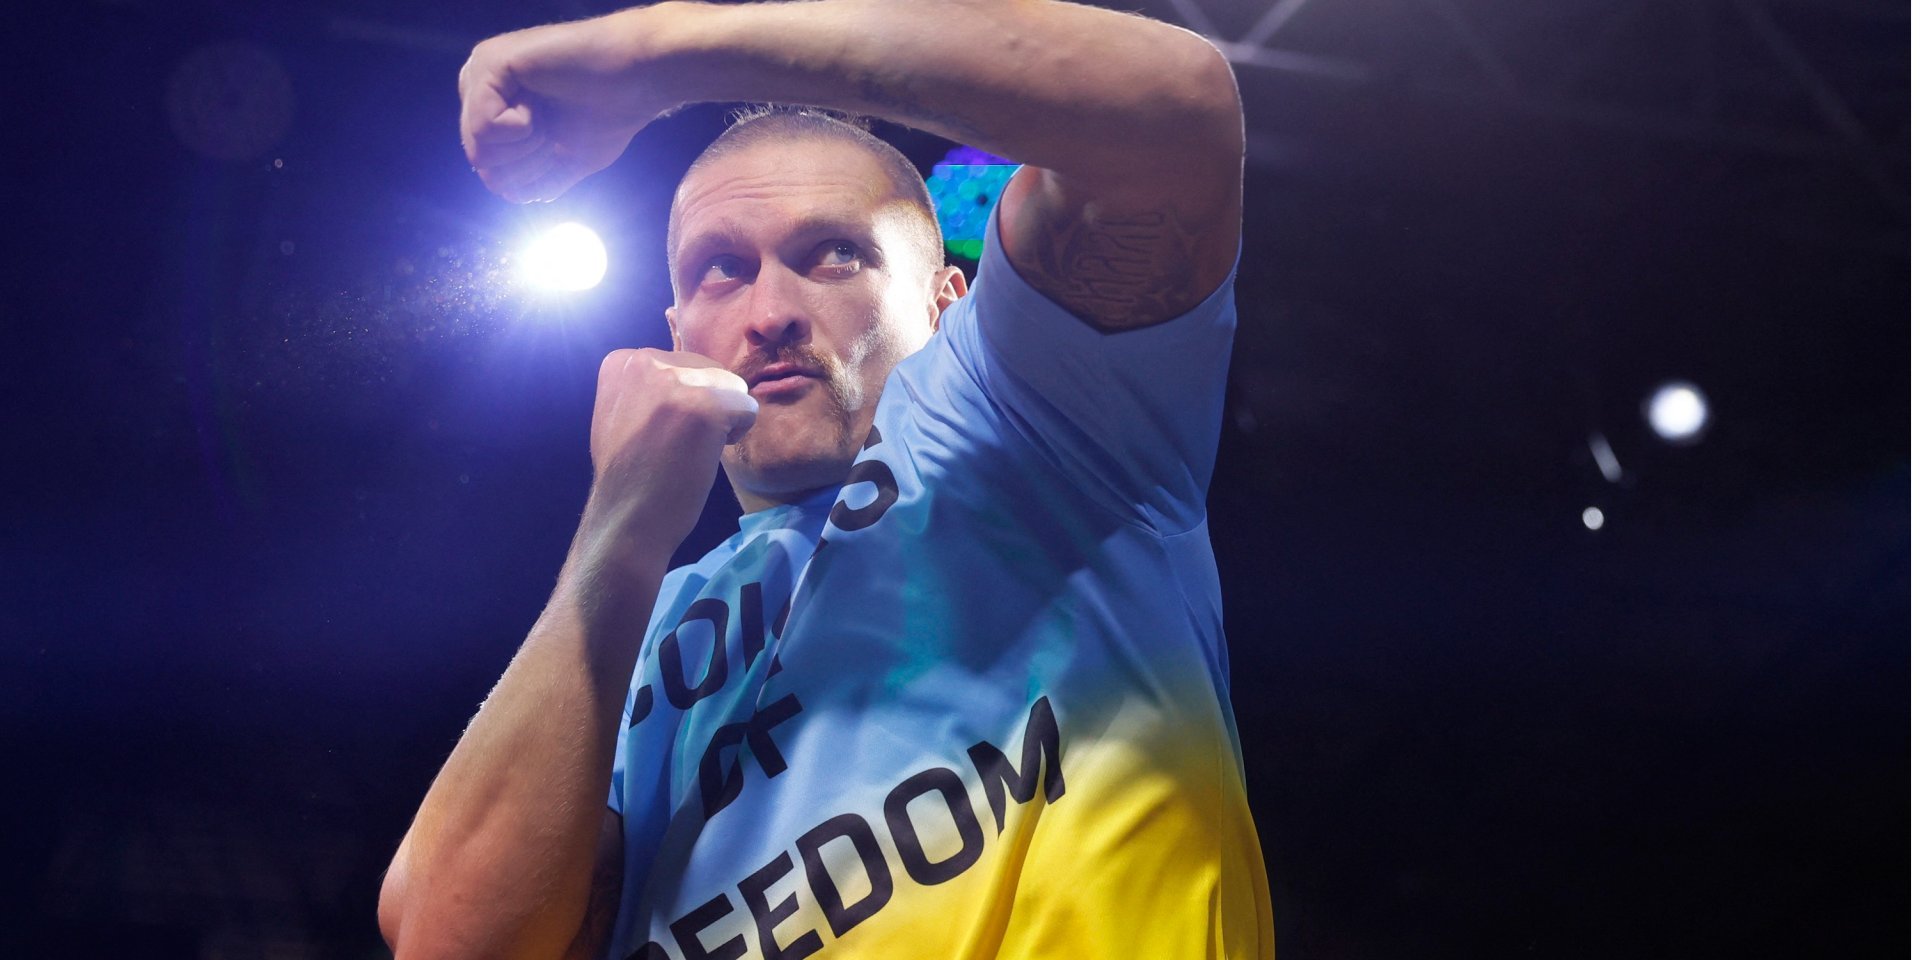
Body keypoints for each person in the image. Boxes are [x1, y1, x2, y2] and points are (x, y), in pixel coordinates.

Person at [378, 1, 1265, 957]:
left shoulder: (1040, 420)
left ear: (945, 303)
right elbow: (446, 942)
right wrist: (619, 533)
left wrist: (660, 57)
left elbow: (1177, 113)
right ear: (675, 335)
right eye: (720, 269)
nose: (768, 312)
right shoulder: (626, 634)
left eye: (836, 254)